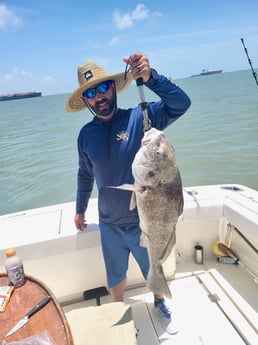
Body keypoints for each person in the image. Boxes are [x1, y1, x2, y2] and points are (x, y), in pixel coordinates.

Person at [66, 52, 191, 334]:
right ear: (86, 101)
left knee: (154, 266)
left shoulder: (141, 118)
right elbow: (85, 174)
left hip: (143, 222)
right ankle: (118, 309)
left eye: (103, 88)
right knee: (115, 275)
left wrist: (152, 78)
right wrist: (79, 208)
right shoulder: (85, 135)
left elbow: (181, 103)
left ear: (112, 88)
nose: (99, 97)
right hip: (109, 224)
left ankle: (159, 302)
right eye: (91, 93)